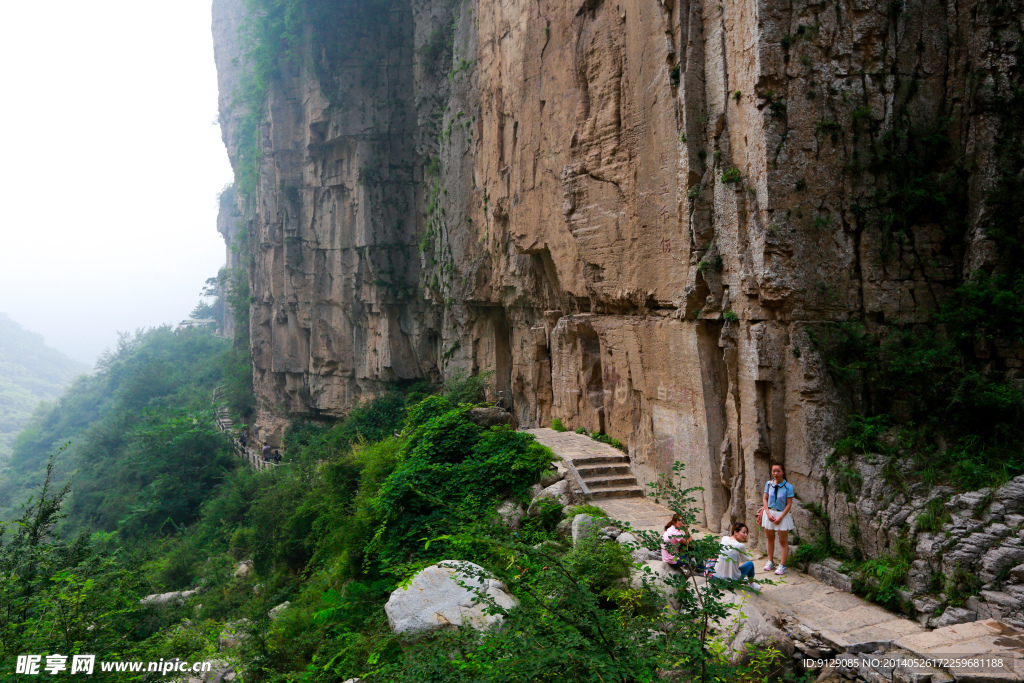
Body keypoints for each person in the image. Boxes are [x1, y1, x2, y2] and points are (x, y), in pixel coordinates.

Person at [761, 463, 795, 576]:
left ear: (783, 472)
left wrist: (780, 517)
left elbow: (789, 504)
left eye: (778, 471)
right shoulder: (768, 484)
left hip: (782, 515)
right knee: (770, 539)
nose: (775, 473)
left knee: (783, 541)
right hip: (769, 513)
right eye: (773, 471)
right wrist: (767, 512)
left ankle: (783, 565)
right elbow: (765, 499)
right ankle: (770, 561)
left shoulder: (788, 487)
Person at [713, 522, 759, 590]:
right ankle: (752, 584)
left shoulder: (724, 538)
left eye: (746, 533)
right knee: (750, 564)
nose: (746, 535)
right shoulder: (740, 546)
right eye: (744, 532)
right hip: (730, 582)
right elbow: (746, 559)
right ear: (735, 532)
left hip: (716, 578)